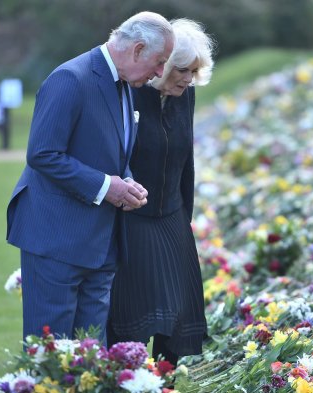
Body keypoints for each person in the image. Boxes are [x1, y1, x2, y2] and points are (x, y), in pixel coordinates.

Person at [6, 11, 175, 344]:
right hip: (56, 238)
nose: (160, 73)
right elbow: (42, 153)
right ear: (138, 49)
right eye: (160, 62)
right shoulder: (71, 78)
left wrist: (125, 182)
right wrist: (105, 186)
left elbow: (111, 151)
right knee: (51, 358)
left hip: (100, 243)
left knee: (91, 358)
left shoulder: (125, 83)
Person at [107, 18, 215, 373]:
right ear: (162, 65)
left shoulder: (186, 96)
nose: (188, 79)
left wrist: (184, 218)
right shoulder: (130, 91)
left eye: (195, 72)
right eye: (182, 70)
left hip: (171, 213)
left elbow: (187, 161)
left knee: (179, 307)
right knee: (134, 311)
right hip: (132, 216)